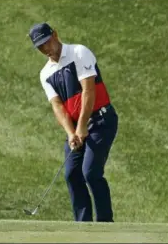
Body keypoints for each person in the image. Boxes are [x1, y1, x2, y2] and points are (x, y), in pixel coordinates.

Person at [28, 22, 118, 222]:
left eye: (47, 42)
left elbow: (89, 91)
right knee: (71, 174)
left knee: (91, 172)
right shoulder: (45, 74)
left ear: (55, 35)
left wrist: (82, 126)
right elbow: (57, 106)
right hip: (78, 128)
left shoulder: (79, 52)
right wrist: (71, 132)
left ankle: (105, 223)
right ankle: (83, 226)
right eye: (40, 47)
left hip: (102, 120)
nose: (46, 49)